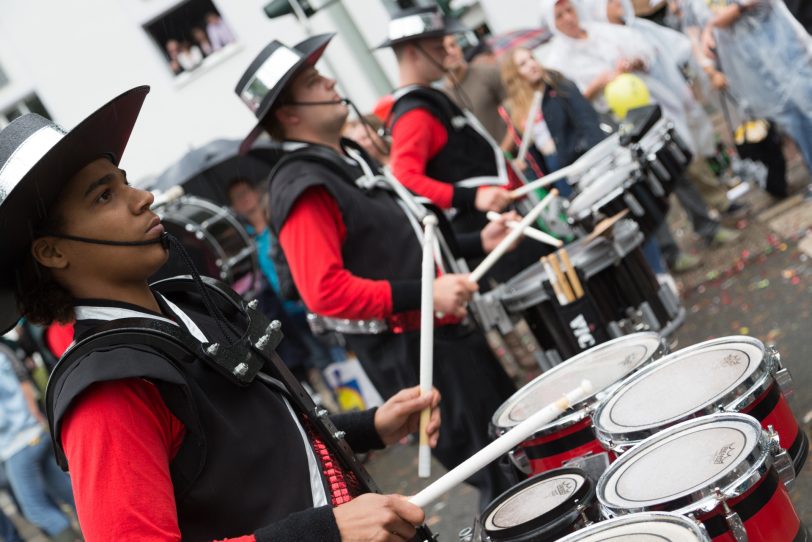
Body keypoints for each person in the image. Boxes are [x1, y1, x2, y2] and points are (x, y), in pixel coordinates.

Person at [0, 86, 442, 541]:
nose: (142, 198)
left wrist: (370, 426)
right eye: (103, 197)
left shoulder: (192, 304)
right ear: (52, 251)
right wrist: (322, 532)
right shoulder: (108, 392)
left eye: (125, 180)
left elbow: (260, 451)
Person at [235, 33, 518, 505]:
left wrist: (472, 242)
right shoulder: (303, 184)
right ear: (289, 113)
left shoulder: (347, 159)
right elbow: (324, 291)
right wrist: (428, 294)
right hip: (416, 350)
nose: (330, 82)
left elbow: (400, 239)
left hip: (447, 335)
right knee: (499, 479)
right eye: (313, 80)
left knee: (513, 453)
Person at [540, 0, 740, 271]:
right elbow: (568, 104)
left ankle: (707, 225)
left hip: (646, 110)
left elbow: (644, 49)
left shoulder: (602, 32)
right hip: (612, 125)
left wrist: (633, 62)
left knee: (676, 168)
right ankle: (670, 251)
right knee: (642, 186)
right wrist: (597, 84)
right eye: (559, 15)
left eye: (569, 10)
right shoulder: (557, 60)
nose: (568, 18)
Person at [380, 7, 551, 283]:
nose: (447, 53)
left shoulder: (430, 99)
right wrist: (471, 197)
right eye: (437, 48)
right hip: (488, 232)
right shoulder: (414, 113)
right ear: (412, 52)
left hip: (502, 222)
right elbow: (405, 179)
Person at [681, 0, 812, 176]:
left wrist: (715, 23)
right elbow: (694, 33)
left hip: (781, 45)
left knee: (807, 100)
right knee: (790, 119)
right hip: (748, 64)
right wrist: (710, 70)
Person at [0, 342, 79, 541]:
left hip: (15, 444)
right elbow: (23, 378)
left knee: (36, 510)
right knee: (69, 491)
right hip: (32, 431)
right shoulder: (2, 349)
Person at [500, 46, 606, 175]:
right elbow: (532, 151)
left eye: (532, 58)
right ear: (514, 74)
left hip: (580, 156)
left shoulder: (559, 85)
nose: (532, 64)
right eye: (523, 64)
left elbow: (587, 120)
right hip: (554, 169)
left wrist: (599, 156)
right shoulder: (516, 108)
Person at [441, 35, 511, 149]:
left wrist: (504, 153)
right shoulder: (442, 98)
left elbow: (519, 110)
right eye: (444, 49)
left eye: (453, 45)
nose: (451, 52)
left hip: (515, 156)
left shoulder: (487, 72)